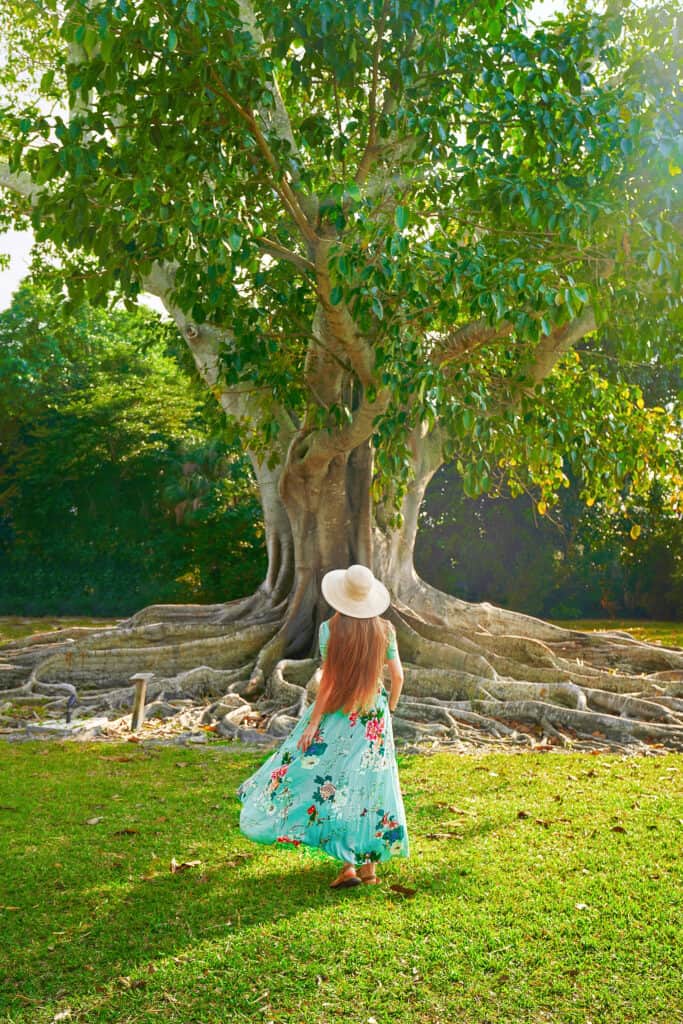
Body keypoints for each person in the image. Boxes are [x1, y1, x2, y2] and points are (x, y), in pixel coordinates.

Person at [236, 564, 409, 889]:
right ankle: (370, 867)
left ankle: (349, 867)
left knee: (336, 781)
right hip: (375, 718)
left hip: (339, 714)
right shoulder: (385, 629)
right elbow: (397, 677)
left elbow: (329, 681)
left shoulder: (331, 629)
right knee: (372, 783)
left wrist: (312, 724)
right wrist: (390, 708)